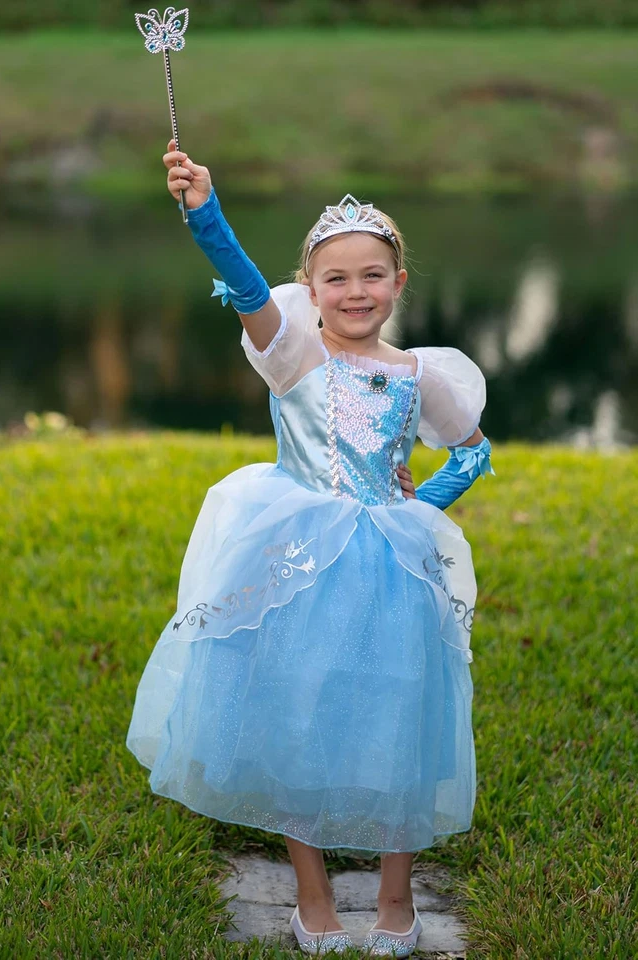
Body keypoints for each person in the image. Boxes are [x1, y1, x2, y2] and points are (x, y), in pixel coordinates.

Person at [126, 140, 495, 957]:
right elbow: (244, 285)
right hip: (299, 561)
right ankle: (313, 897)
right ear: (310, 287)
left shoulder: (418, 373)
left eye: (372, 276)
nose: (355, 292)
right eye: (336, 278)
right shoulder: (293, 351)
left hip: (391, 568)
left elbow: (472, 452)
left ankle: (395, 900)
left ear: (398, 282)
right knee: (298, 714)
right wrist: (204, 212)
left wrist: (419, 505)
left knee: (397, 715)